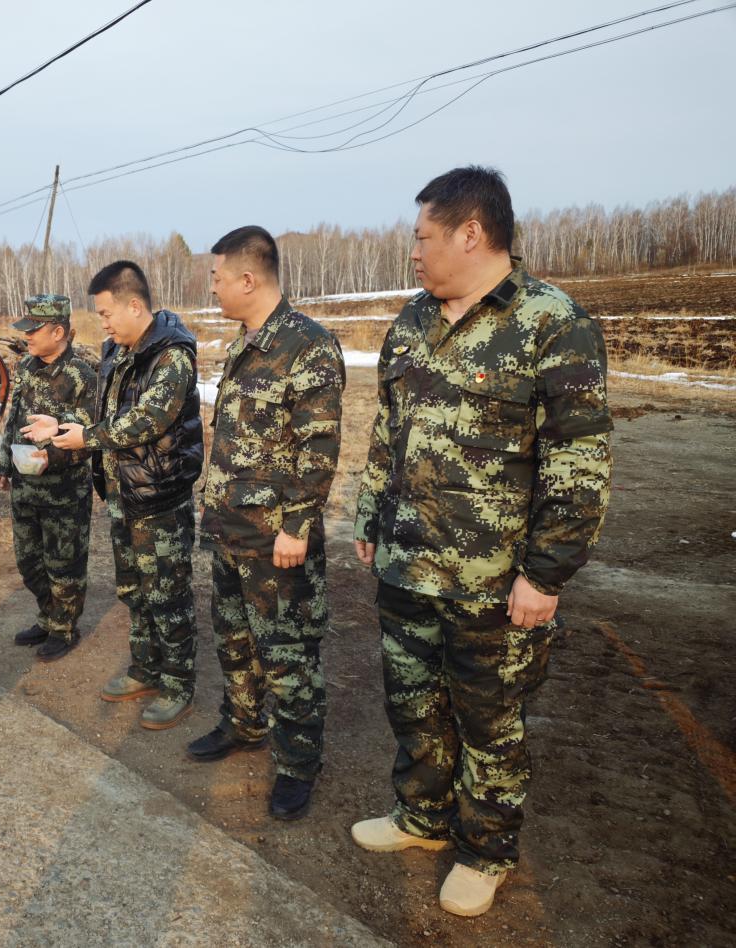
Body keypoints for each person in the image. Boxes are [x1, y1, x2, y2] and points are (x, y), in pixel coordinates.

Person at [351, 167, 613, 917]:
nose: (412, 252)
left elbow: (579, 461)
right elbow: (389, 431)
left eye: (422, 237)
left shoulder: (552, 323)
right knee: (413, 703)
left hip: (493, 582)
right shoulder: (412, 321)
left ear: (471, 233)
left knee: (489, 721)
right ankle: (422, 817)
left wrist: (547, 573)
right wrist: (370, 515)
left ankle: (485, 850)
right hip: (408, 564)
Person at [189, 226, 344, 821]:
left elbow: (318, 447)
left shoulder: (307, 345)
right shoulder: (245, 343)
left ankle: (298, 764)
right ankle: (244, 724)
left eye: (217, 277)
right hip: (231, 530)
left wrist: (297, 527)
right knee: (234, 641)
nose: (213, 287)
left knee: (288, 656)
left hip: (277, 539)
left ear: (248, 279)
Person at [25, 261, 203, 730]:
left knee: (167, 594)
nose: (102, 323)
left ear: (134, 305)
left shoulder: (172, 357)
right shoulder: (117, 352)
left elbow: (148, 420)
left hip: (159, 497)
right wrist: (63, 428)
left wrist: (84, 437)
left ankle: (179, 684)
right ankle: (146, 668)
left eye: (106, 313)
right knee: (134, 590)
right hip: (124, 493)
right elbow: (105, 418)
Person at [0, 294, 97, 662]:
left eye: (34, 330)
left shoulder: (82, 377)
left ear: (58, 332)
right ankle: (48, 616)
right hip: (26, 487)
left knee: (64, 566)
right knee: (29, 563)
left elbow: (90, 438)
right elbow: (14, 416)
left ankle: (64, 628)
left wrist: (49, 456)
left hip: (64, 492)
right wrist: (5, 463)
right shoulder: (25, 366)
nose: (27, 336)